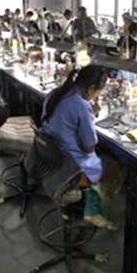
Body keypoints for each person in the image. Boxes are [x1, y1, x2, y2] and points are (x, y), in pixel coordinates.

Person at [41, 65, 116, 229]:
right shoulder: (81, 105)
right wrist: (90, 114)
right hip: (69, 164)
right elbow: (89, 146)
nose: (96, 96)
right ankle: (92, 211)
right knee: (114, 164)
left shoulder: (56, 93)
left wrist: (91, 113)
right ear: (91, 88)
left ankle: (81, 202)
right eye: (98, 93)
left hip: (50, 157)